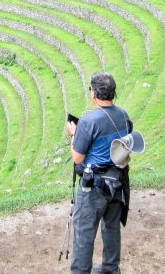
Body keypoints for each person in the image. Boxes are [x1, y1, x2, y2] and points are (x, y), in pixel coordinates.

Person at [65, 72, 132, 274]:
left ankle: (81, 271)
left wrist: (74, 134)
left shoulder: (87, 121)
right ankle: (111, 268)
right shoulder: (123, 115)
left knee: (84, 232)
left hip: (94, 186)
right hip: (117, 181)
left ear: (94, 94)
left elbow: (77, 157)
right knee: (111, 227)